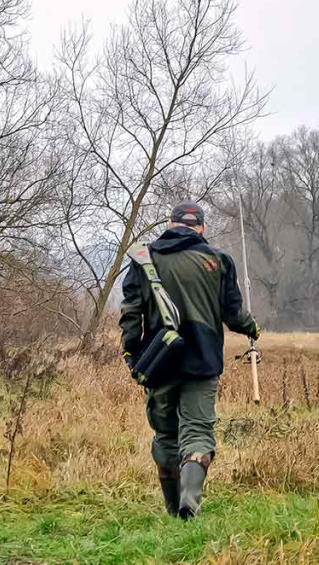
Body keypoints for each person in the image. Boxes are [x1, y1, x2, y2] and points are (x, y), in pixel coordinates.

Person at [119, 200, 260, 519]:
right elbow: (234, 315)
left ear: (170, 224)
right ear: (202, 228)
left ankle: (173, 512)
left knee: (166, 435)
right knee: (197, 431)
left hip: (159, 360)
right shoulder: (219, 260)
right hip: (203, 360)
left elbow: (130, 313)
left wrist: (132, 355)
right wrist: (253, 328)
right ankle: (190, 501)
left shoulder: (144, 258)